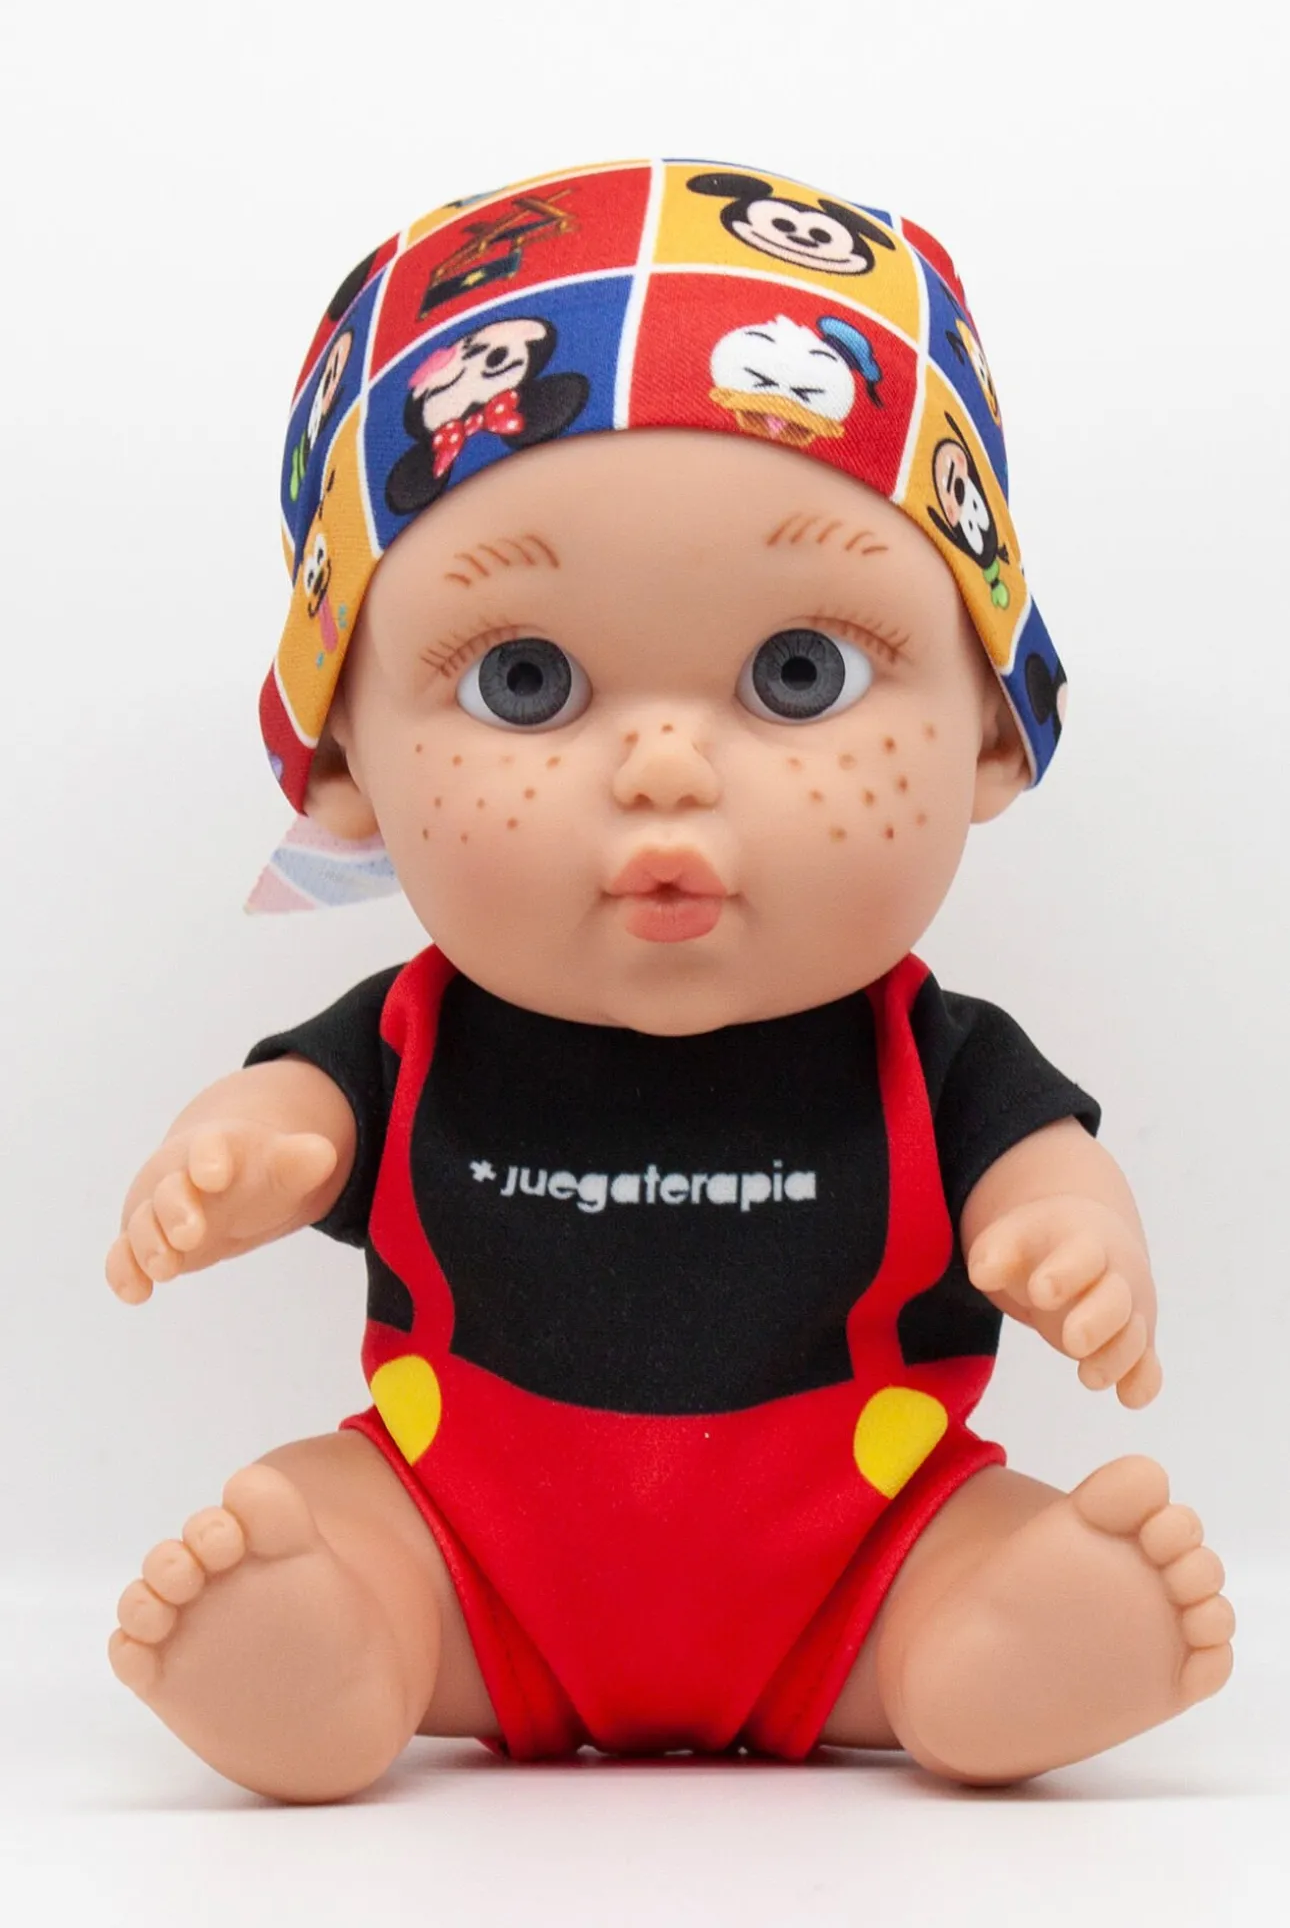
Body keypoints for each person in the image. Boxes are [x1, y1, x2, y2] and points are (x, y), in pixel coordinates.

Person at [104, 159, 1234, 1802]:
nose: (660, 768)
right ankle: (335, 1643)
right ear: (341, 761)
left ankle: (989, 1643)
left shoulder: (929, 1057)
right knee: (331, 1507)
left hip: (859, 1547)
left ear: (993, 725)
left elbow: (1043, 1163)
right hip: (468, 1545)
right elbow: (292, 1108)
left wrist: (1073, 1237)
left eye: (798, 673)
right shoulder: (411, 1037)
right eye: (523, 680)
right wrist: (237, 1150)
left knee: (963, 1541)